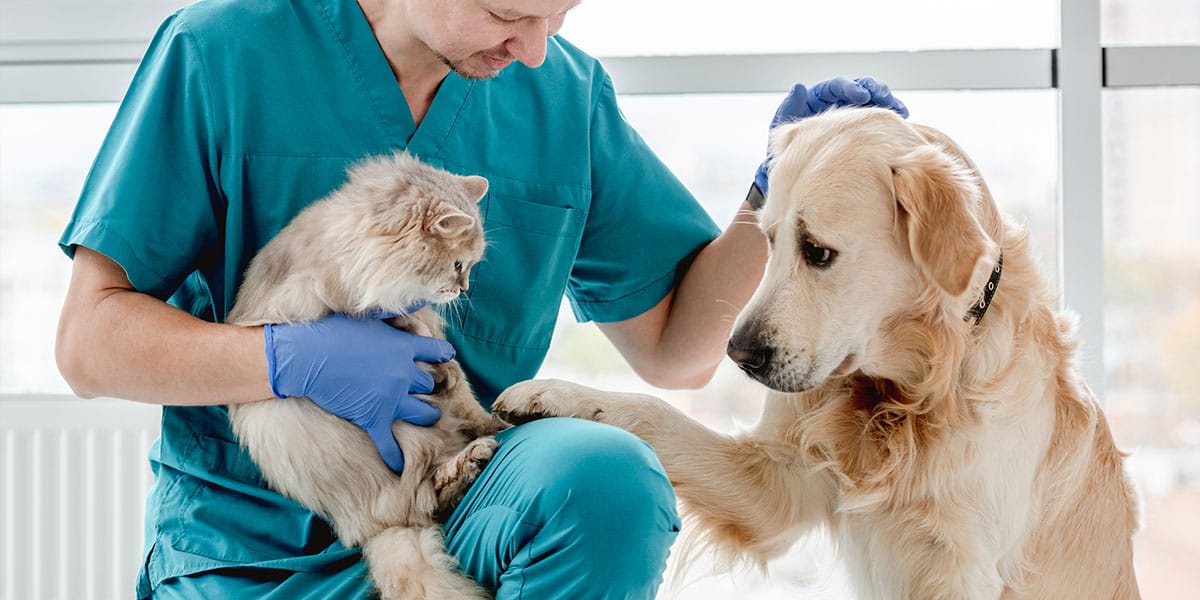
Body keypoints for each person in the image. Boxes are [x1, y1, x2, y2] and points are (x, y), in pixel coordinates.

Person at [54, 0, 907, 598]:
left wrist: (775, 198)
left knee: (605, 481)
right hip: (245, 550)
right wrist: (284, 361)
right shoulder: (223, 54)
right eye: (509, 17)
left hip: (470, 503)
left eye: (560, 18)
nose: (534, 50)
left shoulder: (561, 97)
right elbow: (89, 344)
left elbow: (677, 350)